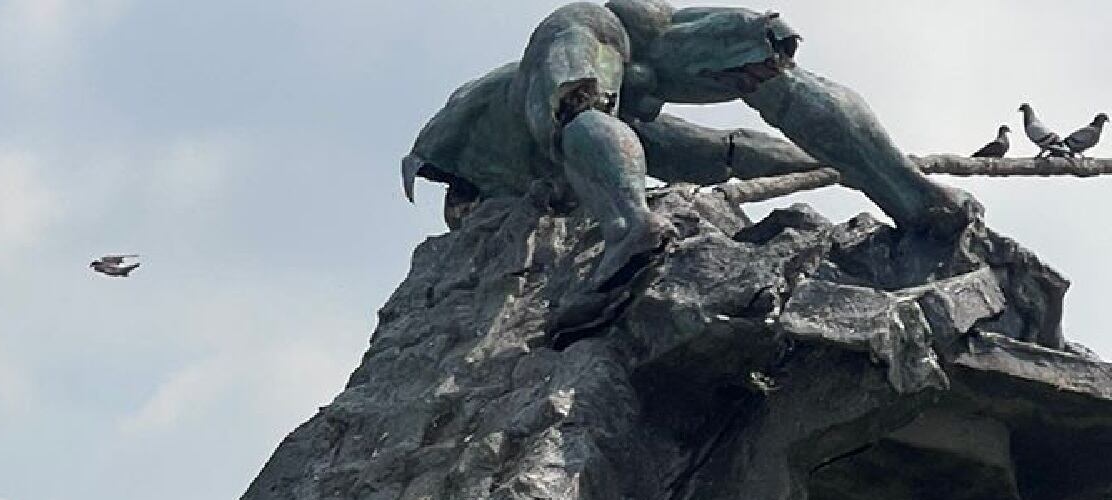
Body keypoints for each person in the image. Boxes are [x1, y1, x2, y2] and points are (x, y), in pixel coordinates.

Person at [404, 0, 978, 292]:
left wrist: (853, 169)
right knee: (580, 109)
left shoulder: (629, 94)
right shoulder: (583, 52)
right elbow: (708, 150)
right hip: (508, 156)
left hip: (597, 99)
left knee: (757, 71)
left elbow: (726, 152)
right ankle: (631, 229)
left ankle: (908, 195)